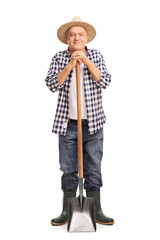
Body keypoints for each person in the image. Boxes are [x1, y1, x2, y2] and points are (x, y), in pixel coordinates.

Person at [45, 17, 114, 226]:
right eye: (72, 34)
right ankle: (67, 210)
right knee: (68, 168)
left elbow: (105, 80)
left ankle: (96, 209)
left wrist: (85, 60)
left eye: (80, 34)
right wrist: (70, 64)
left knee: (93, 166)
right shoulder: (58, 57)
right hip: (68, 124)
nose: (76, 37)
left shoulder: (96, 55)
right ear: (67, 38)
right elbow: (51, 84)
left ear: (86, 38)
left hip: (93, 123)